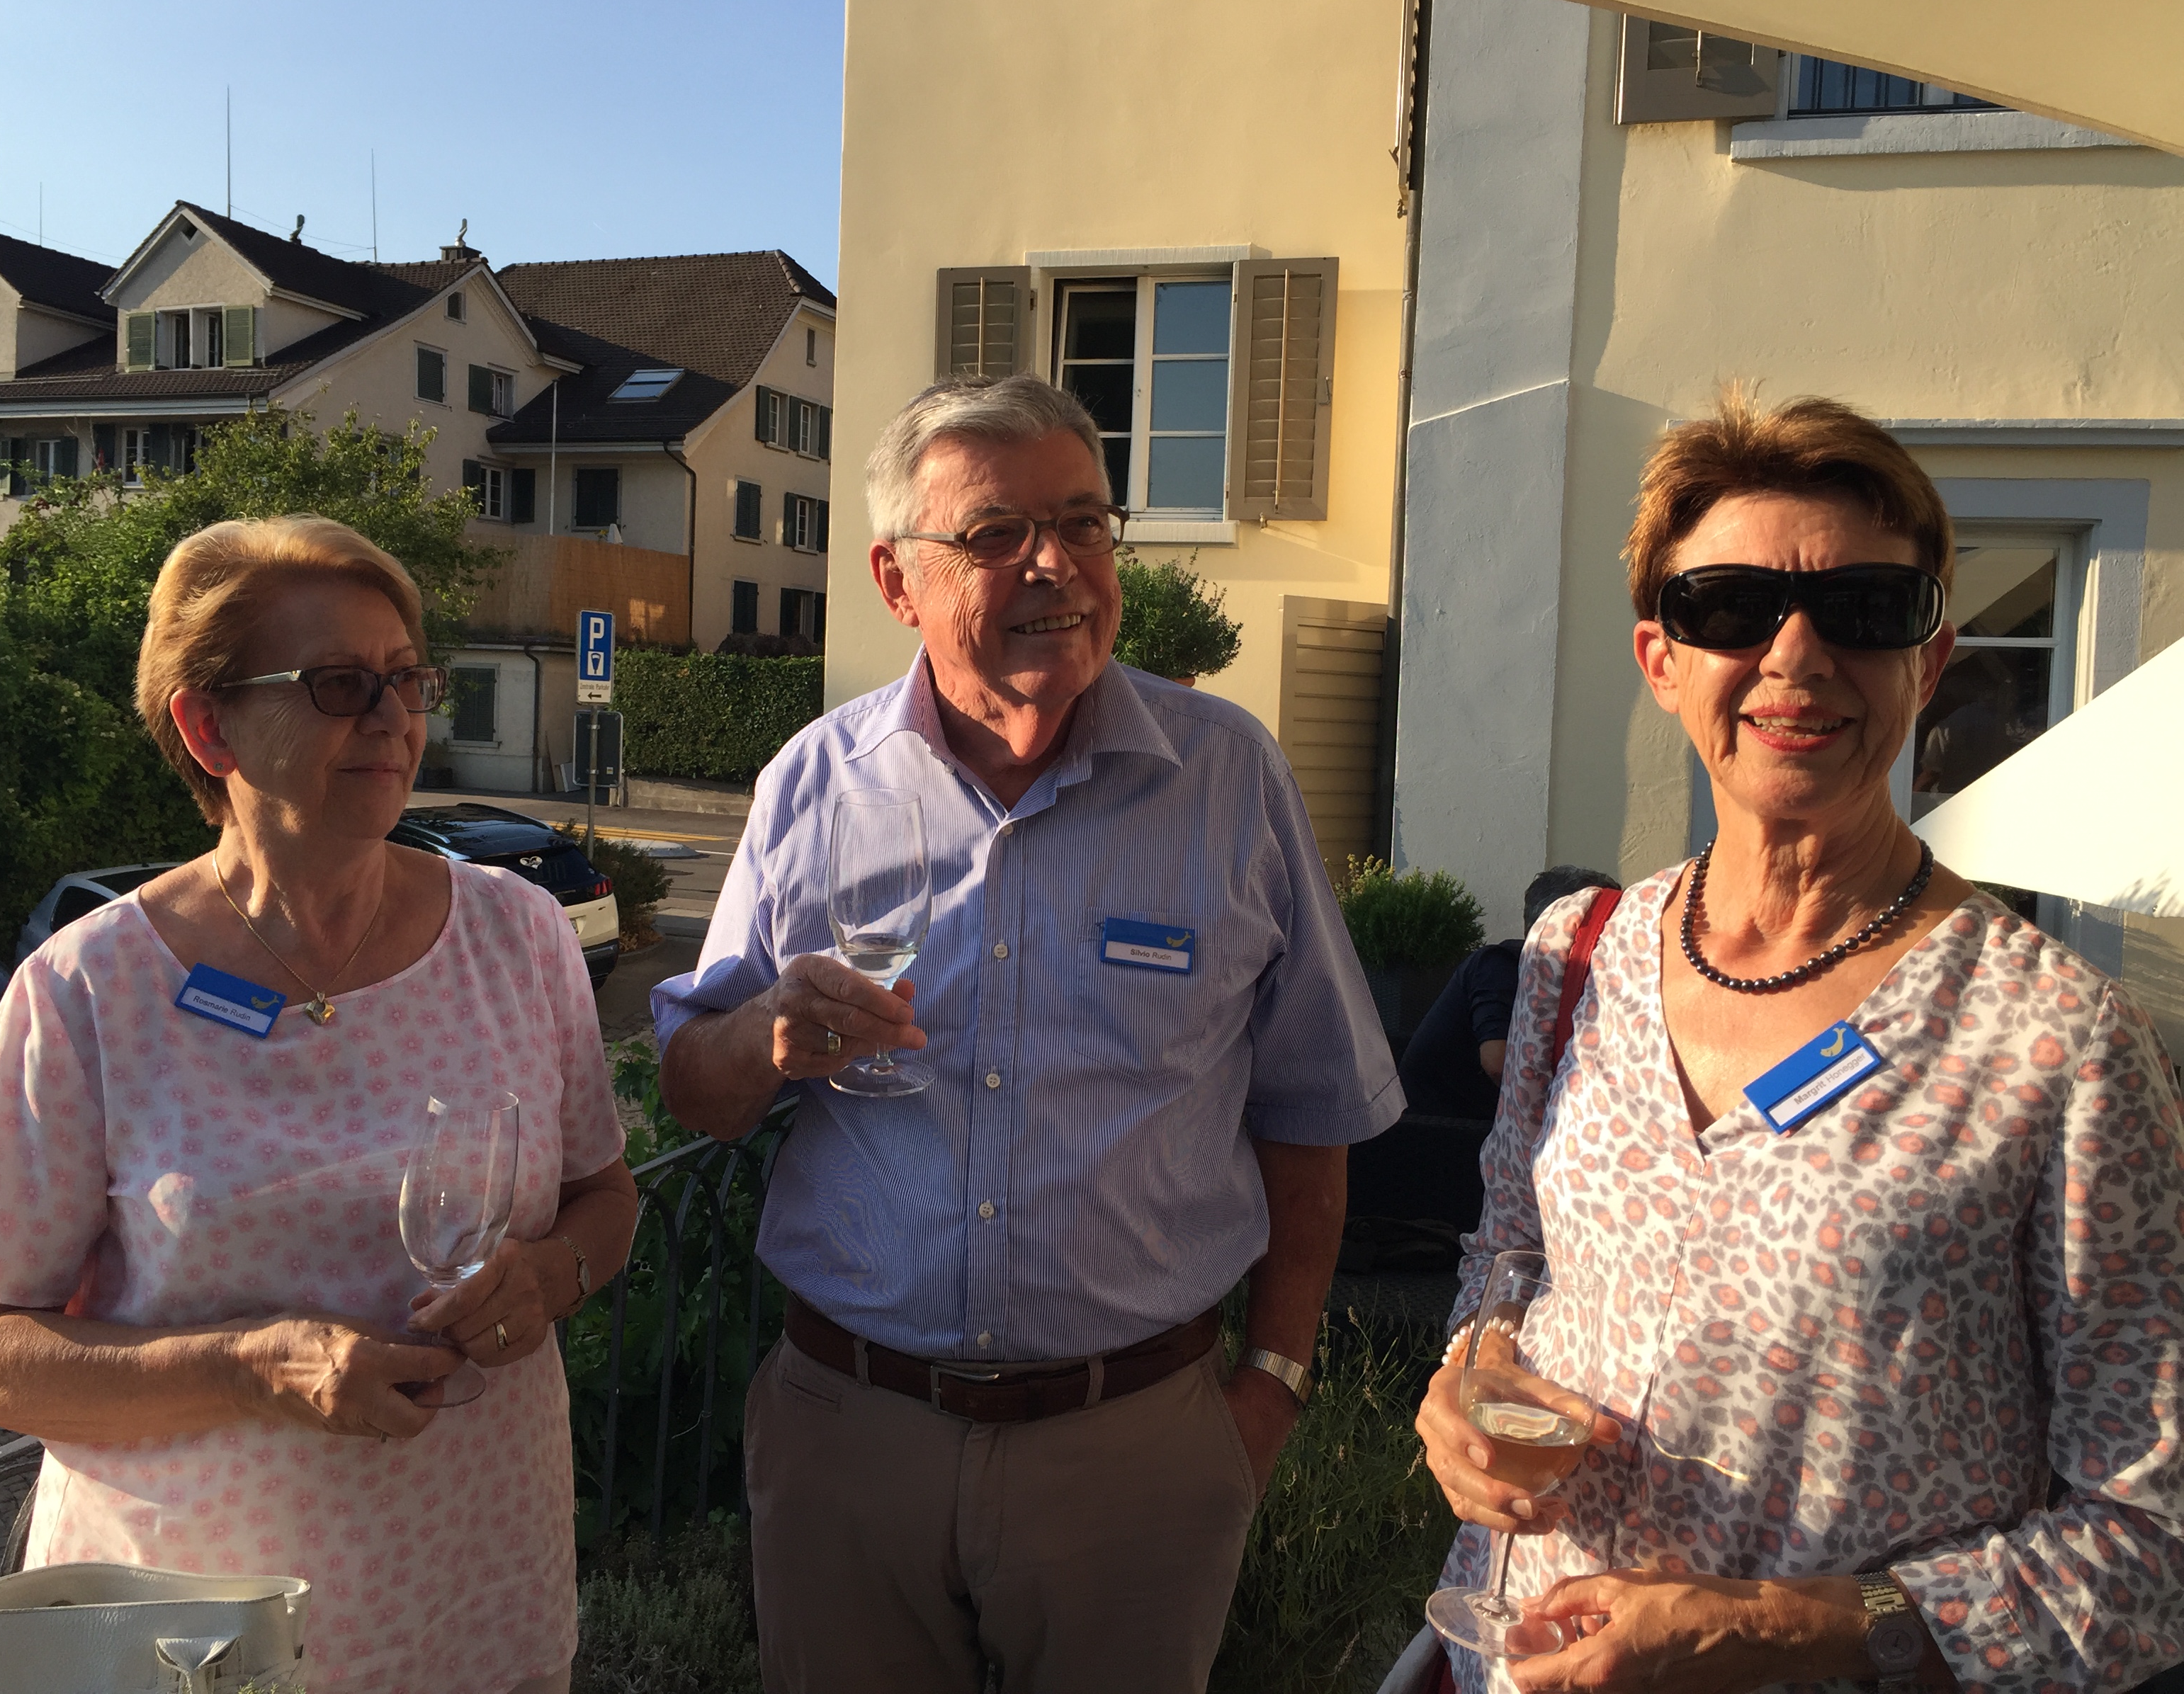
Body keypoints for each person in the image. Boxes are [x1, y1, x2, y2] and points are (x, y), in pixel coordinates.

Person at [1415, 394, 2184, 1693]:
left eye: (1862, 609)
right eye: (1729, 606)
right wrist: (1468, 1378)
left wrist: (1775, 1624)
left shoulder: (2058, 1041)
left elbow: (2149, 1547)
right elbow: (1508, 1256)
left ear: (1927, 661)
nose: (1794, 653)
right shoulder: (1576, 956)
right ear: (1661, 659)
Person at [653, 375, 1403, 1694]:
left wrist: (1271, 1385)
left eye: (1083, 523)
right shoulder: (812, 786)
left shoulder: (1229, 778)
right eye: (997, 534)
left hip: (1136, 1445)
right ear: (896, 580)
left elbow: (1313, 1106)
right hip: (850, 1439)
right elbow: (694, 1089)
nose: (1054, 563)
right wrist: (766, 1029)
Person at [0, 517, 640, 1694]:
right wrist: (252, 1366)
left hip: (477, 1602)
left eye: (406, 677)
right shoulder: (89, 990)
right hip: (196, 1638)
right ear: (208, 725)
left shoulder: (518, 934)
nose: (393, 716)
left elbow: (603, 1195)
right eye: (341, 684)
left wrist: (551, 1275)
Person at [1348, 868, 1622, 1237]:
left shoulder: (1575, 982)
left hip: (1484, 1135)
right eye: (1606, 923)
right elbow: (1498, 1063)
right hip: (1442, 1142)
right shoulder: (1500, 966)